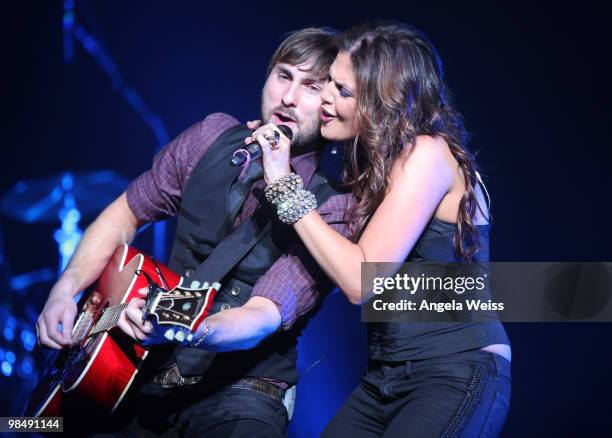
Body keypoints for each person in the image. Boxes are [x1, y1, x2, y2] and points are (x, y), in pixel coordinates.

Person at [35, 27, 353, 437]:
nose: (289, 98)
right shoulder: (210, 137)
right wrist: (66, 289)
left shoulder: (333, 206)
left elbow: (262, 315)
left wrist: (187, 328)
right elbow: (123, 215)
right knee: (36, 425)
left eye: (310, 87)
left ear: (329, 105)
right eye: (283, 76)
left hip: (242, 393)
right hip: (148, 375)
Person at [251, 22, 512, 437]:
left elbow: (361, 279)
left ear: (383, 103)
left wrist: (283, 184)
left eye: (344, 92)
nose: (327, 101)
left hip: (453, 372)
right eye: (329, 85)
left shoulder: (427, 154)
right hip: (386, 375)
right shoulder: (376, 167)